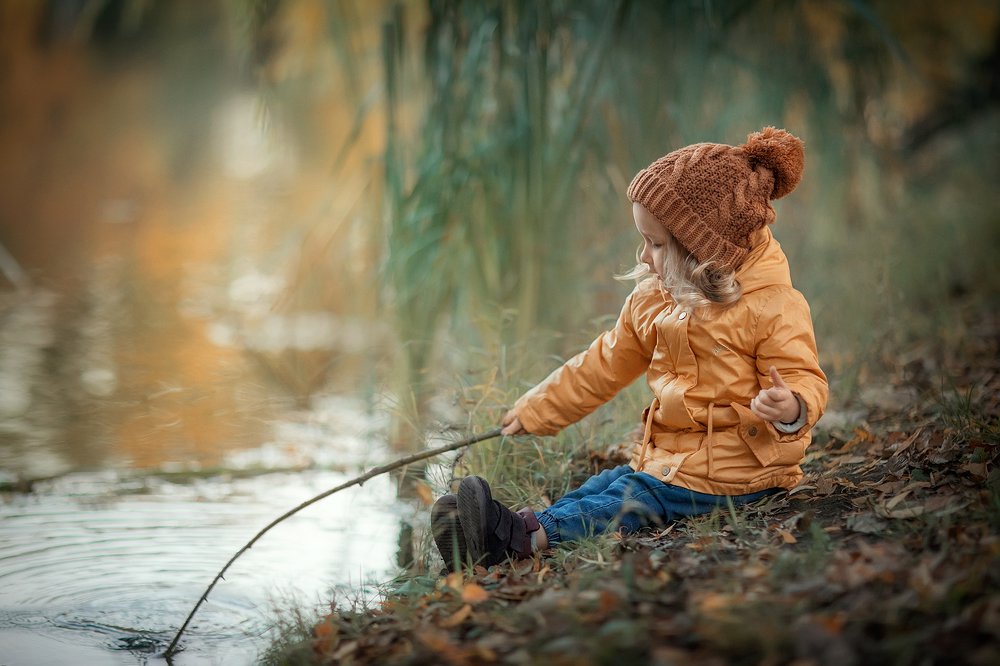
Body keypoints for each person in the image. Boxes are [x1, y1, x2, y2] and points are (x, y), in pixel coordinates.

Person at [432, 127, 828, 571]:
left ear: (702, 252)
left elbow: (804, 378)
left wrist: (791, 406)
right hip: (675, 462)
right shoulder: (655, 300)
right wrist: (537, 409)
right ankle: (505, 532)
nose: (643, 256)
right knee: (608, 483)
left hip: (739, 472)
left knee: (631, 498)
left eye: (656, 244)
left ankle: (521, 539)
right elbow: (603, 363)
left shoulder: (772, 306)